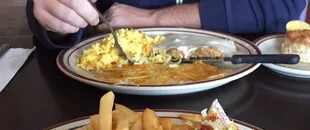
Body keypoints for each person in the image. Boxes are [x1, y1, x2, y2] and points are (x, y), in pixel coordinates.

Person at [27, 0, 309, 49]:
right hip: (105, 83)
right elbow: (49, 12)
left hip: (249, 83)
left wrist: (153, 19)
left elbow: (282, 8)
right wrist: (54, 16)